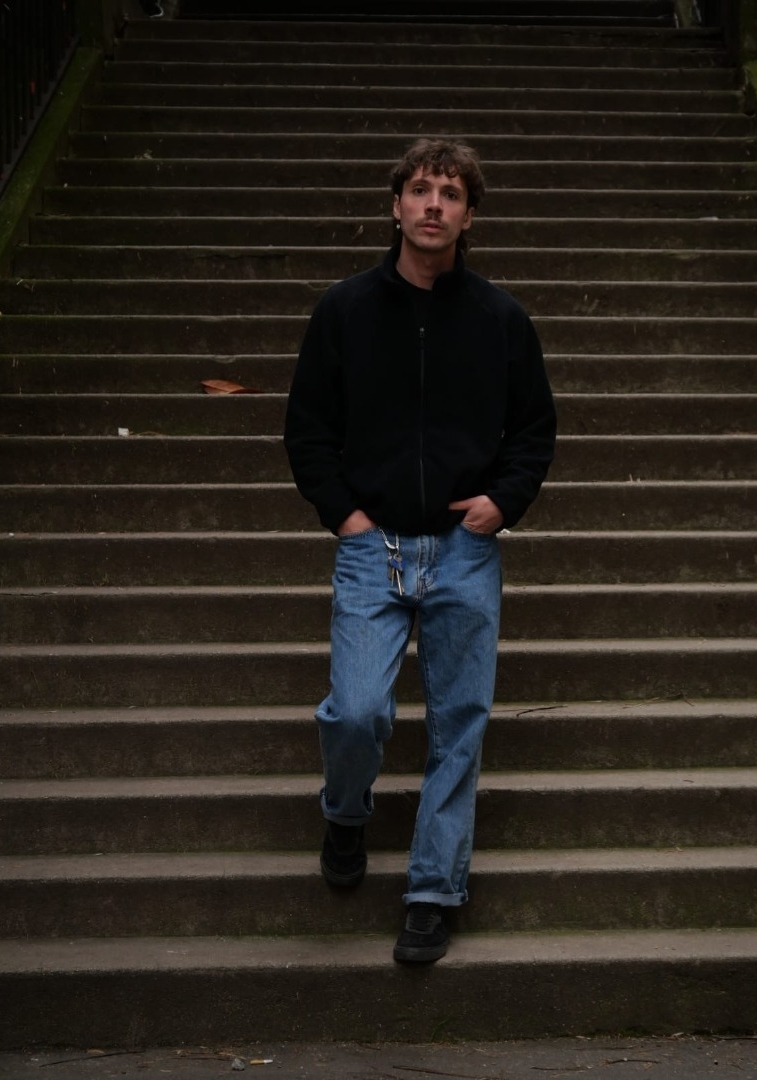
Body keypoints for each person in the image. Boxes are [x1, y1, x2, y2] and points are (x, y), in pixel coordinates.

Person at [284, 137, 556, 963]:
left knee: (458, 725)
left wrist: (502, 503)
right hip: (374, 547)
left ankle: (433, 891)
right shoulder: (344, 311)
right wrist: (347, 518)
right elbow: (308, 428)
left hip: (463, 549)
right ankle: (346, 811)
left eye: (451, 193)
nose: (434, 204)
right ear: (396, 205)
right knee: (358, 710)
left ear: (470, 216)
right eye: (421, 189)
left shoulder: (502, 320)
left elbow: (534, 429)